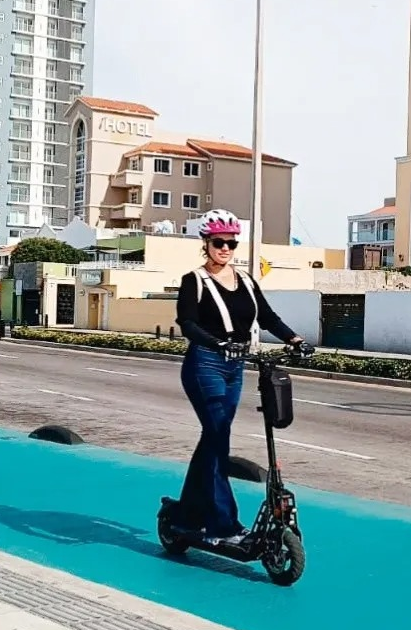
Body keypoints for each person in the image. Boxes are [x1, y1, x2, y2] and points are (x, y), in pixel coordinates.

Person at [172, 209, 307, 545]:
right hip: (205, 364)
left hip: (236, 366)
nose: (225, 249)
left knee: (214, 439)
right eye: (219, 242)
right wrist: (218, 343)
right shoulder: (194, 280)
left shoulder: (245, 280)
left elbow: (268, 317)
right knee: (218, 437)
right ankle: (223, 527)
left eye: (231, 243)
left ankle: (186, 516)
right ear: (206, 243)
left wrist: (295, 340)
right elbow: (187, 324)